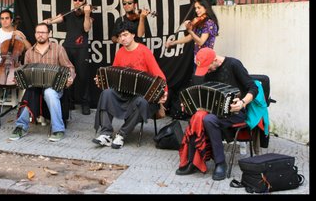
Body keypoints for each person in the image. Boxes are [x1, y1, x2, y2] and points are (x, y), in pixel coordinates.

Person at [175, 48, 258, 181]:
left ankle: (220, 163)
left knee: (207, 119)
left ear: (215, 60)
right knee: (198, 117)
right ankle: (193, 160)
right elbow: (200, 94)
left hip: (235, 112)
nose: (206, 72)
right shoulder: (208, 70)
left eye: (207, 68)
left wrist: (242, 102)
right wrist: (188, 102)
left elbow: (254, 88)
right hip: (213, 112)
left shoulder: (233, 65)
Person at [92, 21, 167, 149]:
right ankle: (106, 133)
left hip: (141, 96)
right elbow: (113, 75)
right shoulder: (120, 52)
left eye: (125, 35)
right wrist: (102, 81)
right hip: (124, 94)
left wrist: (164, 93)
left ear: (133, 35)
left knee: (142, 102)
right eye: (120, 36)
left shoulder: (144, 52)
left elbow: (160, 76)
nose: (122, 38)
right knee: (106, 93)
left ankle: (122, 135)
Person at [8, 23, 75, 142]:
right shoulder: (29, 53)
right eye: (38, 32)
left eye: (43, 32)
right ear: (35, 34)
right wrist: (19, 79)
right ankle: (21, 127)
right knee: (30, 91)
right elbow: (25, 72)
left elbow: (69, 67)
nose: (40, 35)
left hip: (54, 86)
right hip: (36, 86)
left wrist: (70, 78)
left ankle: (58, 129)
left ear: (48, 34)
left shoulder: (58, 49)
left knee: (49, 93)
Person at [43, 0, 93, 115]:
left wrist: (86, 14)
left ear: (85, 1)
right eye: (75, 0)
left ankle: (85, 103)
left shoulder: (88, 14)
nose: (77, 2)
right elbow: (55, 19)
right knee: (67, 75)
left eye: (80, 0)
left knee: (82, 76)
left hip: (81, 48)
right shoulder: (68, 13)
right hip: (67, 47)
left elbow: (86, 28)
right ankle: (69, 102)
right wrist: (47, 21)